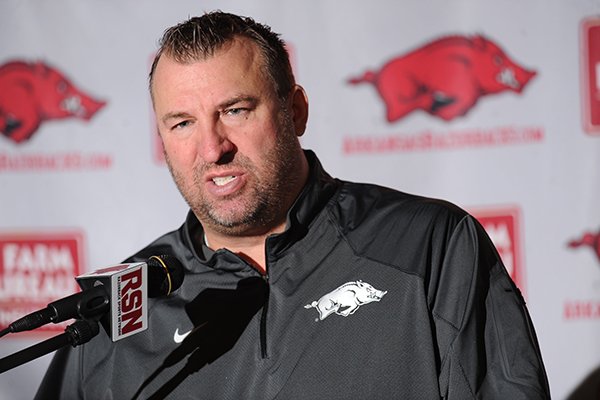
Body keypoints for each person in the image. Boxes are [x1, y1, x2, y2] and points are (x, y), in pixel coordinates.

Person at [36, 11, 551, 399]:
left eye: (235, 111)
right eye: (182, 123)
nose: (212, 148)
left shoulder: (429, 246)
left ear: (296, 111)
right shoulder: (124, 306)